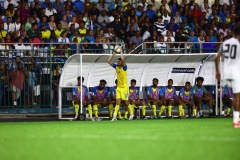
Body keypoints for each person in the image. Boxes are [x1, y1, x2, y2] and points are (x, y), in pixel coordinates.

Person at [215, 25, 240, 128]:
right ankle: (236, 121)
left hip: (226, 73)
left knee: (235, 96)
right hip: (236, 72)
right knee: (238, 96)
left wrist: (217, 72)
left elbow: (217, 58)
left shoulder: (225, 43)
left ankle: (236, 118)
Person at [107, 46, 132, 121]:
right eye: (117, 61)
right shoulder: (116, 67)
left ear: (122, 62)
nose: (117, 62)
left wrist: (121, 51)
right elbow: (108, 61)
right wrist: (114, 53)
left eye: (119, 61)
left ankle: (131, 113)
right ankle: (114, 116)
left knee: (126, 102)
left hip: (125, 87)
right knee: (117, 102)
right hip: (118, 87)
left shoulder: (124, 67)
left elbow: (123, 60)